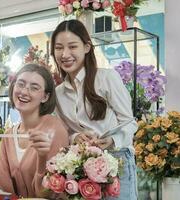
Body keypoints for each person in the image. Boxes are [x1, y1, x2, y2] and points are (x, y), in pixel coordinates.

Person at [50, 19, 138, 200]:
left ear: (87, 47)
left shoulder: (106, 78)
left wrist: (112, 140)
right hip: (82, 165)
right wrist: (76, 137)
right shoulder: (58, 93)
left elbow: (130, 123)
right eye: (59, 48)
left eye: (72, 46)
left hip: (117, 160)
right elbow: (64, 131)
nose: (65, 54)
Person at [0, 63, 69, 198]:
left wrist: (42, 158)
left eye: (34, 88)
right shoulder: (9, 134)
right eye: (20, 84)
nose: (24, 92)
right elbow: (2, 190)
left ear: (45, 97)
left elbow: (51, 194)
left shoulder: (54, 130)